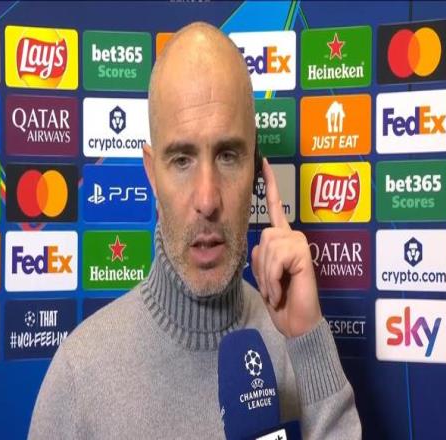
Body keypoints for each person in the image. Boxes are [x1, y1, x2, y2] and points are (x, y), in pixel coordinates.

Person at [29, 22, 361, 439]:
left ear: (255, 168)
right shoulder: (79, 377)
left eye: (228, 155)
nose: (207, 199)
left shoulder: (297, 348)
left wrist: (309, 342)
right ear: (152, 174)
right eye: (182, 160)